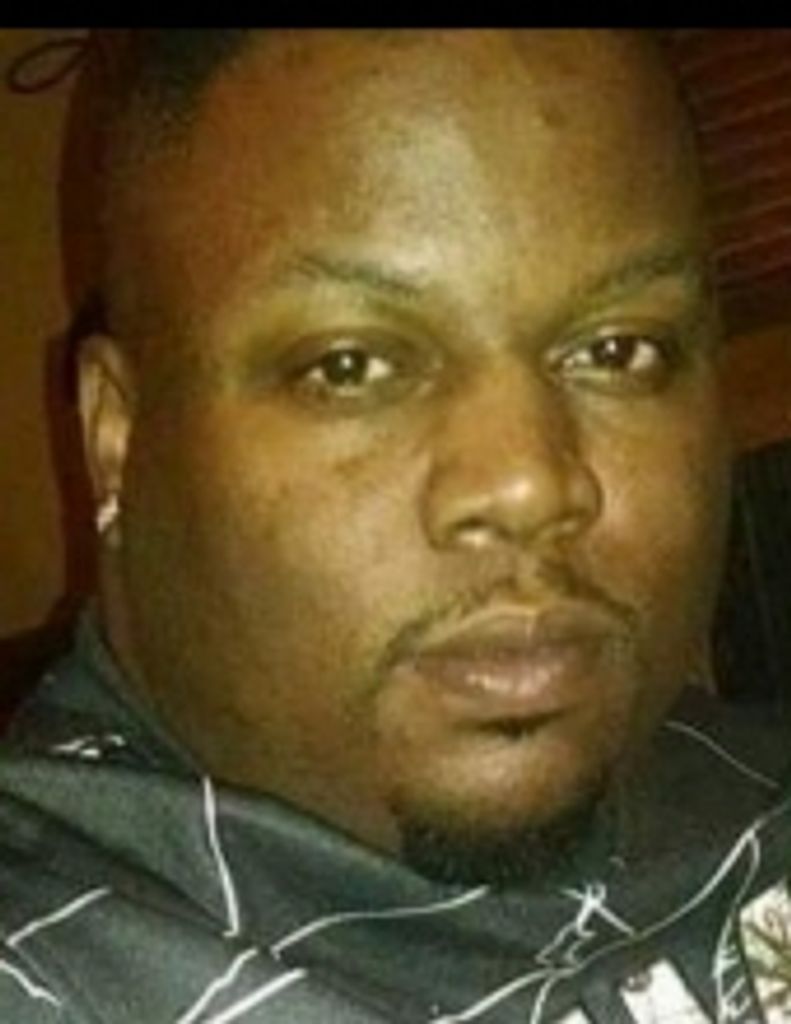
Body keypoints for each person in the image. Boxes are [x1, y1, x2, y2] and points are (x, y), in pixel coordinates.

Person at [0, 29, 789, 1023]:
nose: (528, 484)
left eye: (618, 349)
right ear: (117, 440)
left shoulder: (741, 773)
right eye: (350, 366)